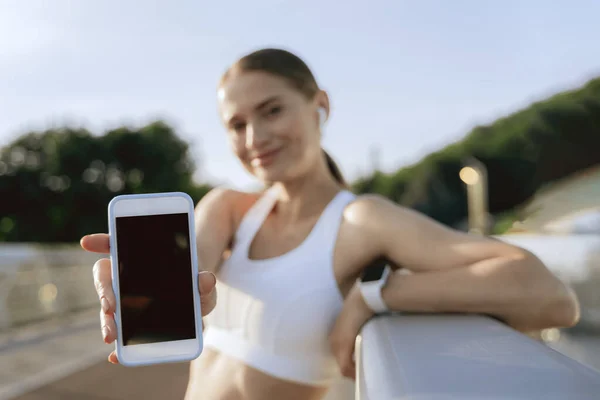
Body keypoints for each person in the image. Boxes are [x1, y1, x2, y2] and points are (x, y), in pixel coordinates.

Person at [80, 48, 580, 400]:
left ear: (319, 105)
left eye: (272, 110)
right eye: (236, 124)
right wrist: (134, 277)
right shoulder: (230, 207)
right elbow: (190, 271)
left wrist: (375, 296)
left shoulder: (361, 219)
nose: (255, 136)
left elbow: (549, 295)